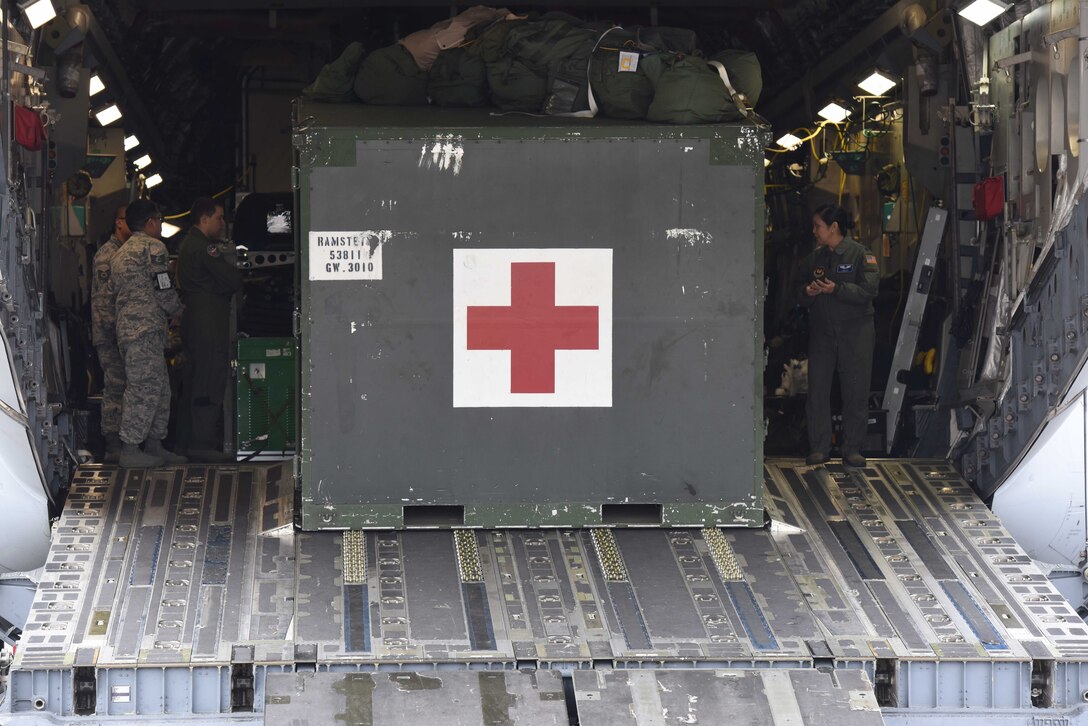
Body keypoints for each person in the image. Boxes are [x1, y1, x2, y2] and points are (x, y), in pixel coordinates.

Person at [799, 204, 879, 468]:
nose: (814, 231)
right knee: (817, 391)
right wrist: (808, 292)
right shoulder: (815, 259)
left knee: (856, 390)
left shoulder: (860, 255)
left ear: (833, 227)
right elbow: (796, 290)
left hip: (855, 332)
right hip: (822, 332)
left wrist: (837, 289)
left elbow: (870, 290)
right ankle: (819, 448)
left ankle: (852, 448)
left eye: (818, 226)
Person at [110, 199, 186, 468]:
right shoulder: (154, 248)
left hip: (129, 330)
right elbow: (162, 287)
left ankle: (154, 444)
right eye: (160, 221)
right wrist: (178, 310)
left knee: (160, 387)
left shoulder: (119, 254)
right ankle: (130, 449)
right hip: (145, 330)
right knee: (143, 388)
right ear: (151, 222)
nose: (161, 226)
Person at [176, 197, 241, 459]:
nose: (222, 223)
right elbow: (232, 278)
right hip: (209, 320)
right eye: (219, 218)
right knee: (210, 378)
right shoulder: (204, 248)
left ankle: (185, 441)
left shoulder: (189, 245)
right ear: (204, 219)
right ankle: (202, 443)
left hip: (196, 317)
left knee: (195, 378)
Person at [90, 205, 130, 462]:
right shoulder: (108, 254)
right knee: (115, 386)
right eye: (129, 220)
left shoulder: (124, 252)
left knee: (124, 386)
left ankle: (123, 440)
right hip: (110, 334)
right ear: (118, 222)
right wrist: (117, 334)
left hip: (120, 333)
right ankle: (112, 443)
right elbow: (104, 302)